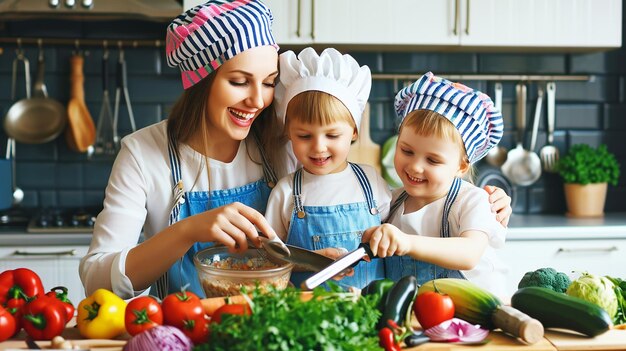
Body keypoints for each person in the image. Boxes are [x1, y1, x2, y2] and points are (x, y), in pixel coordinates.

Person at [79, 0, 512, 300]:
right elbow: (96, 278)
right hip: (190, 330)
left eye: (268, 82)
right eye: (238, 81)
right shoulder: (144, 154)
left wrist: (478, 199)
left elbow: (392, 209)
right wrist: (189, 230)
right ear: (200, 79)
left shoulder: (283, 142)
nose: (258, 100)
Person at [363, 72, 508, 296]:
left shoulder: (472, 201)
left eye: (432, 160)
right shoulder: (390, 201)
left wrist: (407, 243)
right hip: (415, 316)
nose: (415, 166)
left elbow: (469, 253)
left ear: (461, 166)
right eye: (406, 150)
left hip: (474, 319)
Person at [265, 47, 390, 288]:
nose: (318, 147)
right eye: (304, 135)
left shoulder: (370, 180)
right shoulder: (287, 191)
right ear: (289, 132)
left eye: (332, 135)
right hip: (307, 312)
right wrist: (307, 261)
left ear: (354, 131)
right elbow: (270, 257)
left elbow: (401, 226)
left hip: (370, 314)